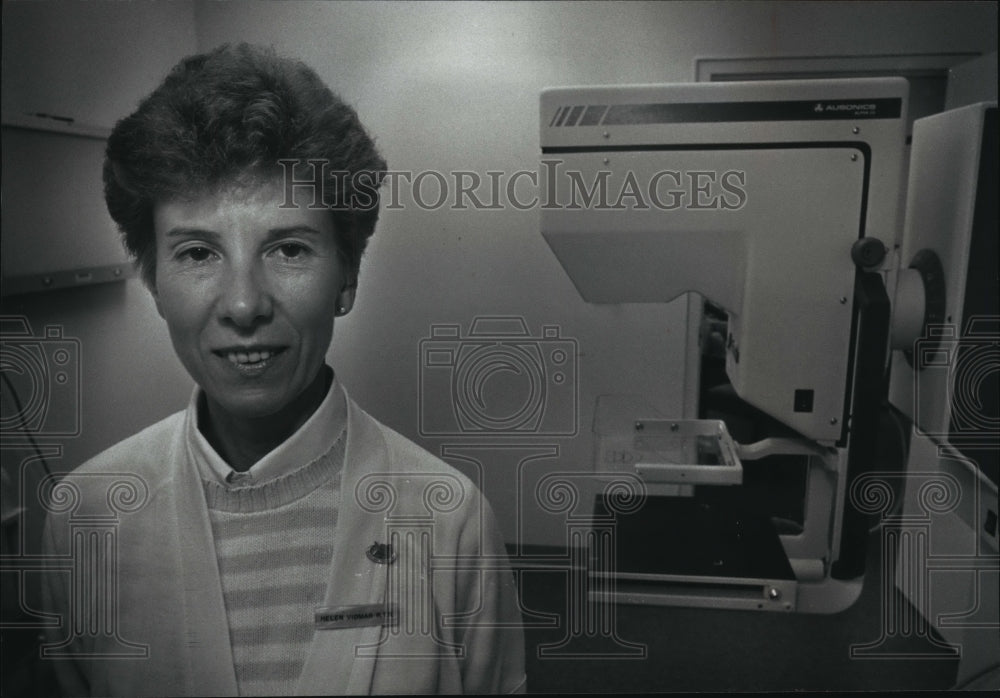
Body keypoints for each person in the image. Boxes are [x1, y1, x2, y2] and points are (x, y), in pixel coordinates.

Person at [41, 43, 525, 696]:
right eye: (197, 253)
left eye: (289, 247)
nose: (243, 304)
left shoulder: (449, 522)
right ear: (153, 279)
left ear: (347, 277)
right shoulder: (85, 518)